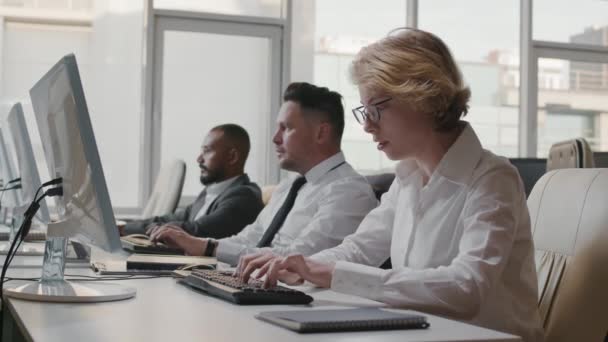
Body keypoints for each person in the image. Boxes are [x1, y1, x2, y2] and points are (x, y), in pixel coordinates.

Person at [236, 29, 544, 342]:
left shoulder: (492, 178)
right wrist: (301, 266)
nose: (367, 125)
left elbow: (467, 287)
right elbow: (359, 249)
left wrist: (331, 274)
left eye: (376, 109)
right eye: (364, 111)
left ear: (423, 95)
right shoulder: (407, 178)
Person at [150, 82, 378, 266]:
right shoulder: (291, 186)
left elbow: (298, 258)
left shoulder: (348, 191)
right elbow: (250, 237)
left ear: (321, 132)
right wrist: (197, 244)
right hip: (258, 283)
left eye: (286, 128)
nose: (275, 138)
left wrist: (208, 247)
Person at [121, 124, 264, 239]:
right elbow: (168, 219)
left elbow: (194, 230)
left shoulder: (244, 197)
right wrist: (123, 226)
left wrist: (124, 229)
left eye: (207, 151)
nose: (199, 159)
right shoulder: (209, 193)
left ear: (232, 157)